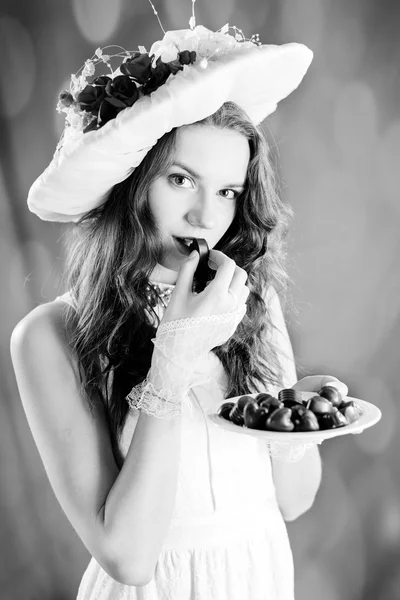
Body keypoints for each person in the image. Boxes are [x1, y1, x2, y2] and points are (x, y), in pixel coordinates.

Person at [10, 14, 348, 600]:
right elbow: (130, 557)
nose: (205, 219)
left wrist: (295, 410)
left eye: (227, 193)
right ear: (131, 182)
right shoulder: (49, 335)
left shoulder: (249, 300)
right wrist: (173, 356)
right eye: (180, 181)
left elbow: (295, 500)